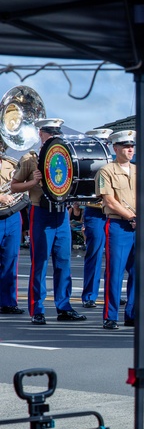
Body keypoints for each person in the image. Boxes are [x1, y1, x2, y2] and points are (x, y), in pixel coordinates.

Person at [10, 117, 87, 325]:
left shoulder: (66, 155)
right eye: (49, 133)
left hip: (61, 214)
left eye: (56, 133)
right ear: (40, 134)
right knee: (40, 262)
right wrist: (33, 182)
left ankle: (64, 307)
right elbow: (14, 186)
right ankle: (37, 309)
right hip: (41, 212)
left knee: (63, 262)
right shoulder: (31, 158)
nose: (53, 136)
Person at [98, 130, 144, 330]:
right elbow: (109, 200)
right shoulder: (106, 171)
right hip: (119, 225)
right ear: (115, 148)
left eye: (132, 146)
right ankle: (110, 316)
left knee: (139, 273)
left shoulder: (140, 170)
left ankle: (133, 315)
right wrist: (132, 217)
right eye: (126, 146)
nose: (130, 150)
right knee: (115, 272)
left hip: (140, 226)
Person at [78, 129, 112, 310]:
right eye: (100, 142)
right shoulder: (86, 162)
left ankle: (111, 293)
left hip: (114, 212)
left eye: (106, 143)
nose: (103, 146)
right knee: (95, 253)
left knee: (115, 256)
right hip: (95, 210)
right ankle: (90, 295)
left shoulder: (114, 162)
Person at [0, 149, 23, 314]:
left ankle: (8, 302)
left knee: (10, 260)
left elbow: (23, 184)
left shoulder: (11, 164)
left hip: (12, 214)